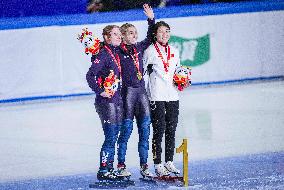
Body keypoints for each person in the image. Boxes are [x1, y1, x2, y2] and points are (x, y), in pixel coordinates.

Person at [116, 4, 155, 178]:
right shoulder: (117, 51)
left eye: (135, 32)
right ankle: (121, 164)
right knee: (126, 131)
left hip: (141, 93)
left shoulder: (139, 47)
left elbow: (150, 37)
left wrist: (151, 20)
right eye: (131, 32)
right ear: (123, 36)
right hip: (127, 94)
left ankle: (145, 166)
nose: (135, 35)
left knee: (145, 131)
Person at [143, 21, 181, 176]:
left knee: (171, 129)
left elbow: (178, 71)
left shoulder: (175, 50)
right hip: (156, 96)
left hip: (172, 95)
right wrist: (145, 95)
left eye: (167, 31)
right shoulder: (150, 51)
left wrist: (183, 80)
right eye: (161, 32)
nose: (165, 34)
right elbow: (143, 74)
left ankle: (169, 161)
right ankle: (158, 163)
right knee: (159, 130)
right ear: (155, 34)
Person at [86, 25, 123, 180]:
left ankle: (109, 167)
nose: (119, 37)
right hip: (106, 102)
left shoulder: (115, 52)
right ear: (107, 37)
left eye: (119, 34)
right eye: (115, 34)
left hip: (116, 100)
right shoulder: (103, 54)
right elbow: (90, 75)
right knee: (110, 136)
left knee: (114, 135)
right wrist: (100, 90)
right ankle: (103, 170)